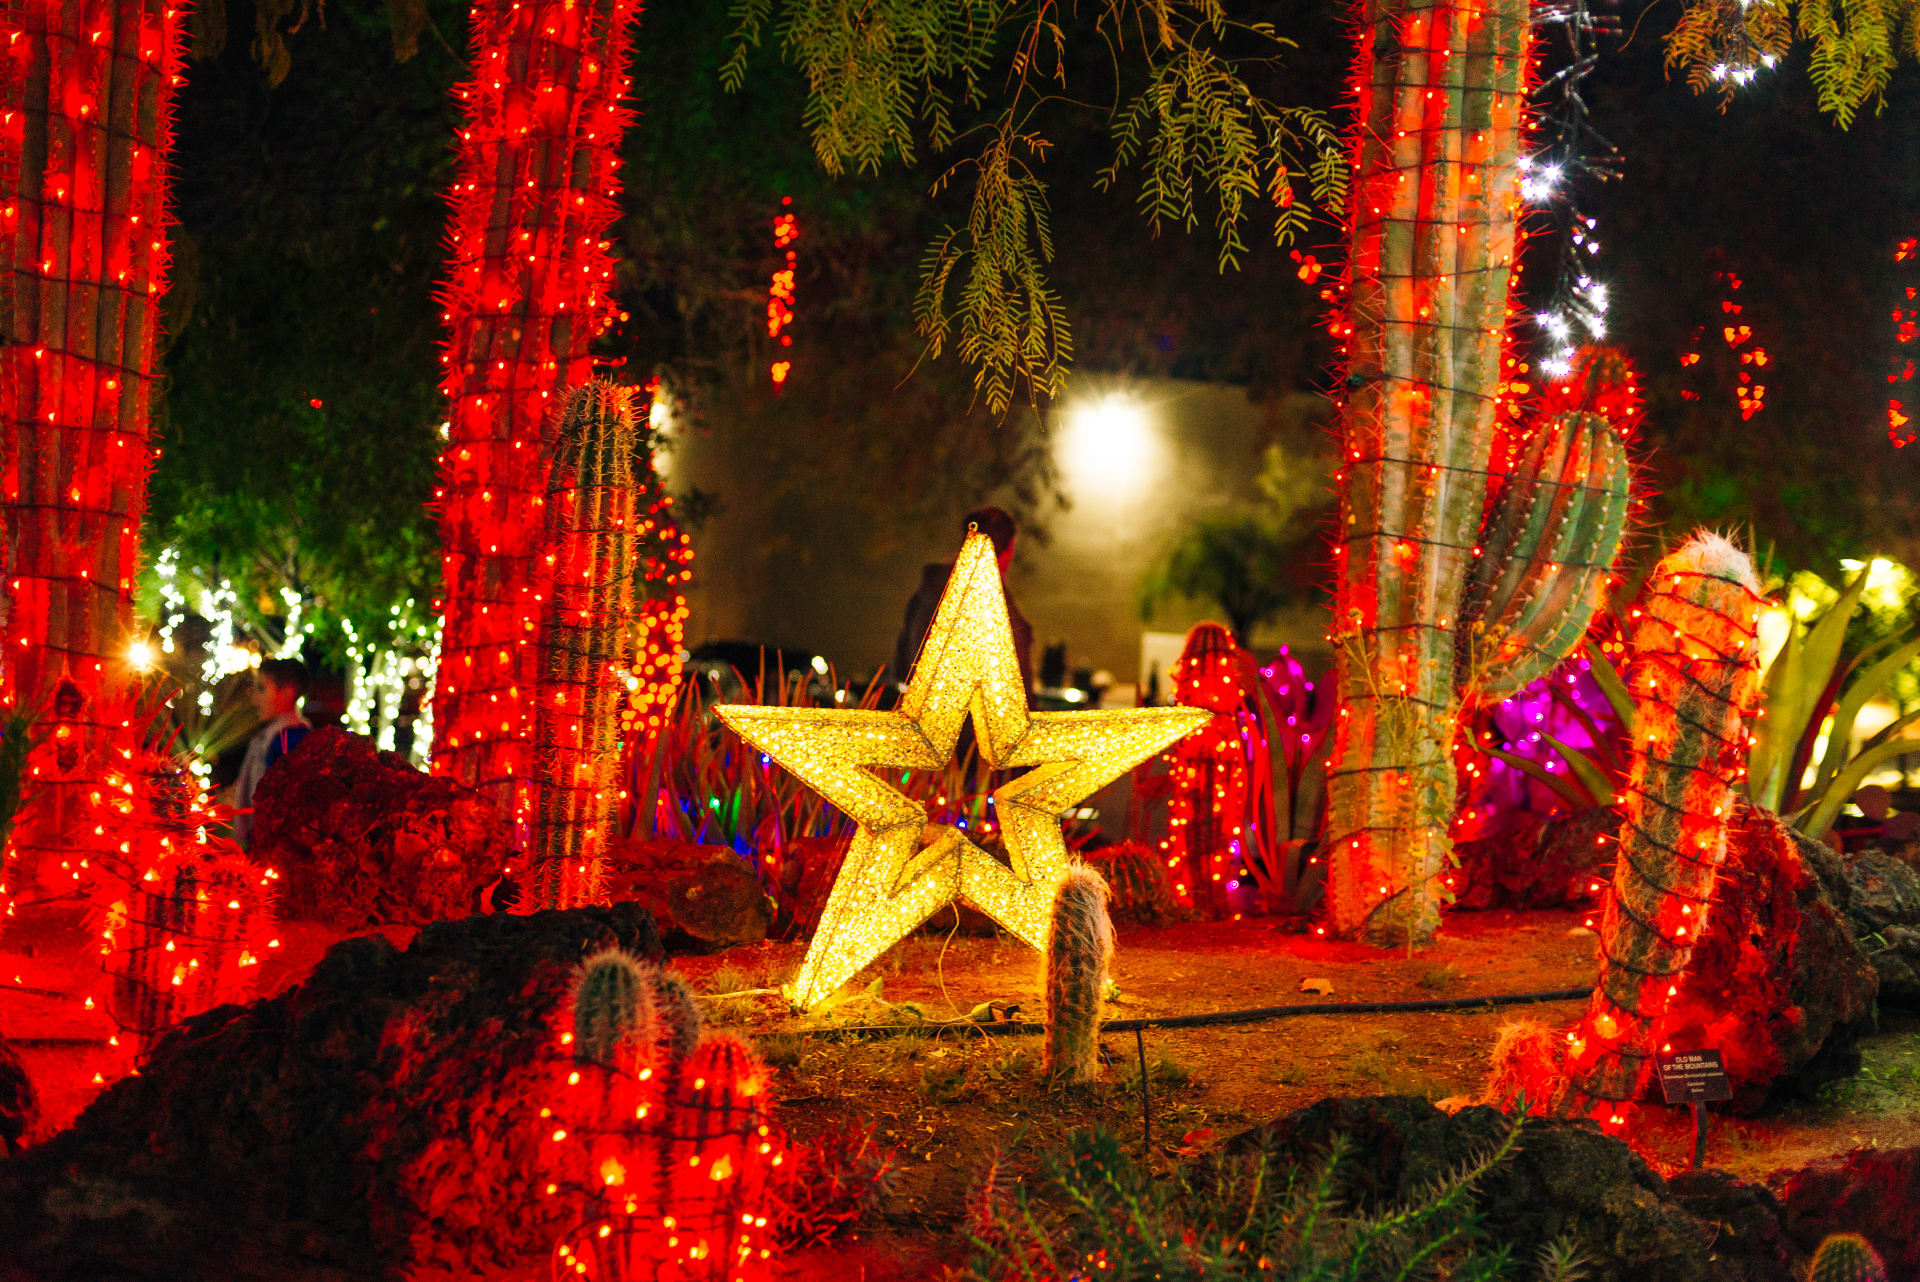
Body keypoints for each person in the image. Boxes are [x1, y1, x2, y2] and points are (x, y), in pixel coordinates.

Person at [892, 505, 1033, 693]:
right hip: (953, 699)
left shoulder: (950, 583)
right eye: (1000, 540)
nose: (1005, 549)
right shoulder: (966, 585)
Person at [232, 658, 313, 849]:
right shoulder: (269, 736)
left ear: (287, 693)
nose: (254, 698)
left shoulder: (291, 738)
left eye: (261, 689)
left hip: (273, 844)